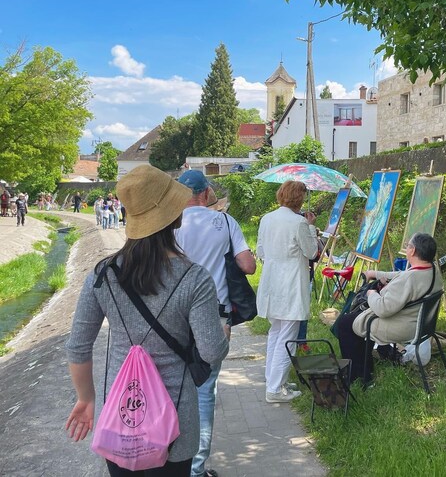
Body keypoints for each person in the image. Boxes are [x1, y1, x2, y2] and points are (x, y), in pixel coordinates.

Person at [65, 165, 229, 477]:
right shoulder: (194, 278)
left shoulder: (103, 275)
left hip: (121, 418)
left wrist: (87, 399)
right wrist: (222, 333)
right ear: (174, 216)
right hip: (176, 425)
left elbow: (77, 348)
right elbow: (210, 352)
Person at [175, 170, 256, 477]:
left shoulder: (171, 225)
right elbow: (247, 265)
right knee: (205, 391)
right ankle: (197, 469)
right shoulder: (224, 222)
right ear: (206, 193)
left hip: (176, 316)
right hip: (215, 316)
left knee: (175, 386)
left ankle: (174, 462)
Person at [336, 232, 443, 382]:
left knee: (345, 324)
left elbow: (383, 309)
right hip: (421, 324)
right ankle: (366, 366)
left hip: (403, 326)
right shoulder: (433, 270)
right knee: (354, 320)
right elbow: (402, 276)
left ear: (412, 251)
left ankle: (358, 376)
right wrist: (376, 274)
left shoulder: (410, 279)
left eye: (407, 246)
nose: (406, 249)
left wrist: (372, 293)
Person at [256, 180, 318, 403]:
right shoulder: (298, 223)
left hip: (272, 283)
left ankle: (274, 379)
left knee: (276, 332)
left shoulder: (267, 219)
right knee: (288, 337)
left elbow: (260, 250)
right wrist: (311, 227)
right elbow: (311, 252)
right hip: (291, 285)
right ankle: (274, 389)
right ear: (299, 198)